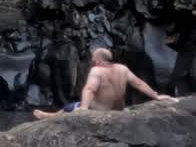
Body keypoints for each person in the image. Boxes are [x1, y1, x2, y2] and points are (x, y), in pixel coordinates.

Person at [33, 47, 174, 120]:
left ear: (99, 60)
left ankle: (50, 117)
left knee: (68, 108)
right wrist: (156, 96)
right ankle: (51, 115)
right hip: (117, 109)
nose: (93, 61)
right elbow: (139, 84)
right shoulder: (122, 69)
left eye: (94, 59)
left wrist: (83, 108)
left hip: (98, 110)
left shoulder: (97, 71)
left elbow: (89, 89)